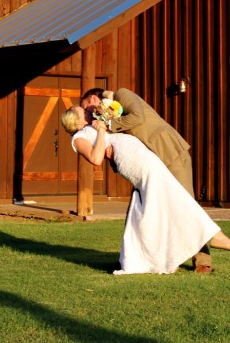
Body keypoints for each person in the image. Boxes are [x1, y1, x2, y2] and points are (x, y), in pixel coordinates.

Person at [61, 106, 230, 275]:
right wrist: (101, 130)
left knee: (164, 204)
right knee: (177, 199)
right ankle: (212, 236)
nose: (86, 111)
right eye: (81, 111)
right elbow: (96, 157)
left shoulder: (93, 125)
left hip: (144, 158)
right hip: (137, 164)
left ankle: (203, 238)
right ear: (74, 121)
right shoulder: (78, 138)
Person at [80, 87, 213, 271]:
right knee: (136, 214)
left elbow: (137, 117)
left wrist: (108, 125)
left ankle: (203, 261)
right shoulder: (106, 121)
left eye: (87, 109)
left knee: (186, 205)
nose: (89, 115)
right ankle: (130, 260)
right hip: (147, 169)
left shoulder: (122, 95)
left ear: (95, 98)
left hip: (170, 154)